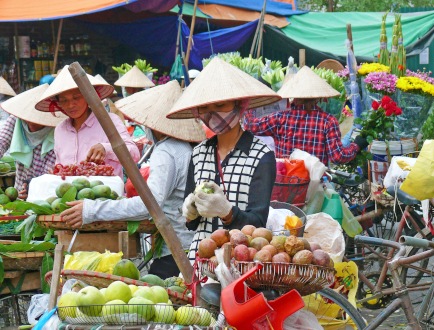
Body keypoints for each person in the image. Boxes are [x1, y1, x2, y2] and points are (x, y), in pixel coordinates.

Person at [61, 81, 206, 278]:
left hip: (178, 250)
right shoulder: (181, 147)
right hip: (187, 244)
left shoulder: (167, 152)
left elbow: (148, 205)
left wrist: (91, 209)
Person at [168, 57, 280, 261]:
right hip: (200, 259)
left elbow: (258, 224)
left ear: (239, 104)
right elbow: (191, 224)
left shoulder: (261, 155)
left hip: (240, 261)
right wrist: (190, 212)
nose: (213, 114)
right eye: (205, 108)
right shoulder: (199, 153)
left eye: (220, 105)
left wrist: (227, 212)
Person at [243, 66, 367, 165]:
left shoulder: (280, 118)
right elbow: (338, 157)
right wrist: (356, 146)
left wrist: (249, 105)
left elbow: (250, 126)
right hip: (315, 186)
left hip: (286, 184)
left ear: (293, 94)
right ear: (319, 97)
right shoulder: (328, 121)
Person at [35, 65, 140, 178]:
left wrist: (106, 148)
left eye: (76, 98)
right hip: (69, 194)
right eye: (64, 100)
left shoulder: (110, 121)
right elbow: (60, 166)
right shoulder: (60, 129)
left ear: (87, 97)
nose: (70, 105)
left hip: (106, 193)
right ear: (58, 103)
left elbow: (134, 154)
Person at [0, 84, 66, 198]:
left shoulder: (57, 130)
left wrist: (32, 186)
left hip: (45, 194)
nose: (31, 123)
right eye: (28, 119)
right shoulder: (16, 121)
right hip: (18, 190)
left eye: (36, 121)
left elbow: (50, 171)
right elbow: (2, 141)